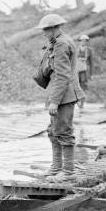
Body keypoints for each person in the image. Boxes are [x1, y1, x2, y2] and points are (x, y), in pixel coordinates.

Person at [36, 13, 86, 181]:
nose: (43, 33)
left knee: (63, 132)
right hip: (60, 93)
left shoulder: (61, 44)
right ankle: (57, 167)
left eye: (45, 30)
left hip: (63, 95)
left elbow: (63, 76)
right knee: (53, 131)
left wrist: (55, 102)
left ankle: (69, 172)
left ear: (53, 28)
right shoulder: (57, 43)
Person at [76, 34, 92, 111]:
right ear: (80, 41)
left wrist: (91, 74)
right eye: (82, 41)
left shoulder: (89, 50)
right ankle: (77, 102)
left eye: (85, 41)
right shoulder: (76, 49)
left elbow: (91, 63)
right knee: (76, 86)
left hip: (84, 71)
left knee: (83, 87)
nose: (83, 42)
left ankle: (82, 104)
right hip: (76, 70)